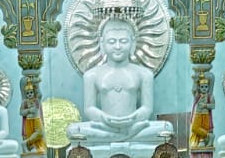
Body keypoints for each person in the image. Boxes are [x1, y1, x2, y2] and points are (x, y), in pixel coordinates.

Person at [67, 18, 170, 147]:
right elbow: (89, 108)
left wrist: (132, 118)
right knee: (73, 130)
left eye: (123, 41)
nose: (117, 47)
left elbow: (147, 108)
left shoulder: (144, 74)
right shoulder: (91, 75)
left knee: (166, 128)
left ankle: (116, 137)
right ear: (102, 43)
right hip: (104, 127)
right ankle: (121, 137)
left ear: (133, 43)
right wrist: (104, 118)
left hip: (134, 126)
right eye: (111, 42)